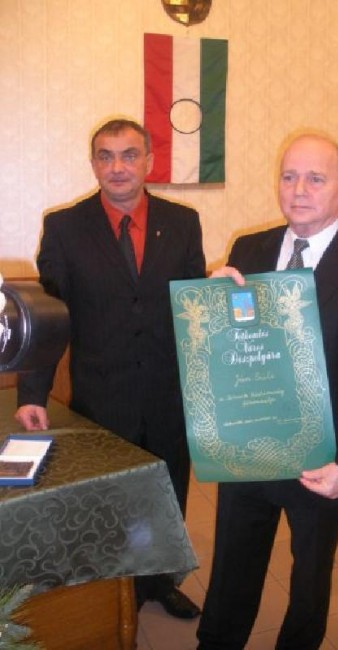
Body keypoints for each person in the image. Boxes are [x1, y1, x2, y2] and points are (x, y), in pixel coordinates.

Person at [196, 130, 338, 649]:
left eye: (316, 178)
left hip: (323, 458)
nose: (299, 190)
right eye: (289, 176)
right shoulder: (250, 249)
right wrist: (211, 301)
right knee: (232, 564)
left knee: (310, 578)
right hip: (249, 446)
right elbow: (228, 347)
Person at [15, 118, 205, 620]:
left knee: (166, 494)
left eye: (129, 155)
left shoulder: (183, 222)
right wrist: (32, 395)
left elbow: (196, 313)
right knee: (109, 505)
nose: (117, 167)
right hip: (102, 399)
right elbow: (49, 320)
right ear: (94, 163)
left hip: (168, 395)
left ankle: (160, 582)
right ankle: (114, 601)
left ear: (149, 162)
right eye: (106, 156)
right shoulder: (64, 227)